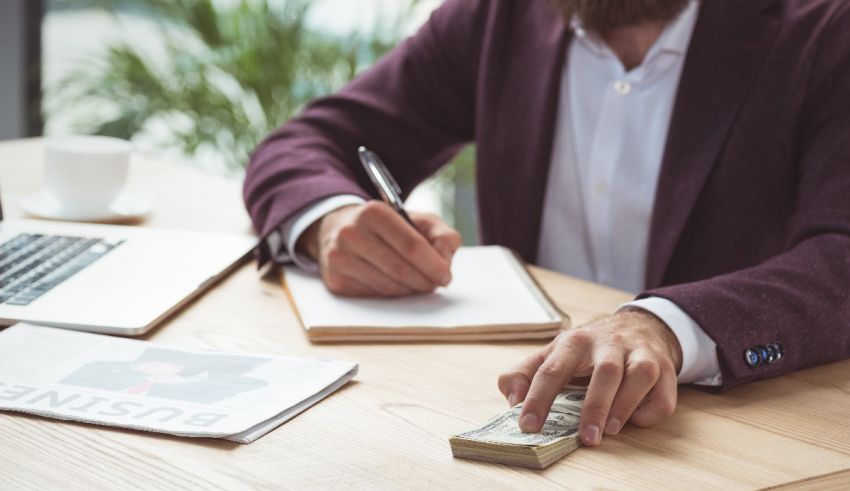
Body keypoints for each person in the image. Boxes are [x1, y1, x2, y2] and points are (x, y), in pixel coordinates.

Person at [243, 0, 850, 447]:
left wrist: (664, 326)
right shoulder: (496, 18)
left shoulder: (827, 29)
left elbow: (840, 253)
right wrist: (330, 222)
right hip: (523, 415)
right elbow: (305, 143)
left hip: (739, 437)